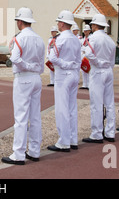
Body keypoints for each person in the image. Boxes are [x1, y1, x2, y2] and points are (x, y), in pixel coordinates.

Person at [1, 8, 45, 165]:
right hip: (36, 79)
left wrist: (26, 66)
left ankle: (18, 153)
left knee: (20, 117)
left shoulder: (19, 38)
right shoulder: (39, 39)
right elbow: (41, 63)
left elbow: (15, 58)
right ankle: (34, 151)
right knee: (35, 116)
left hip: (23, 78)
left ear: (20, 22)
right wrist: (34, 68)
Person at [47, 10, 81, 152]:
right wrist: (72, 66)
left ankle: (63, 141)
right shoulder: (75, 38)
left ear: (62, 23)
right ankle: (73, 139)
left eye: (58, 22)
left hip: (63, 75)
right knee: (72, 108)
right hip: (74, 74)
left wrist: (65, 64)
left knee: (62, 108)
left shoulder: (60, 39)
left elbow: (52, 58)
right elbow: (79, 60)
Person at [82, 14, 116, 143]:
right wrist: (106, 65)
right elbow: (113, 60)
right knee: (109, 103)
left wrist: (97, 63)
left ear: (95, 25)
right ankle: (110, 132)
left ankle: (97, 133)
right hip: (108, 70)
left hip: (98, 71)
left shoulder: (93, 38)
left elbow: (89, 53)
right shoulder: (110, 40)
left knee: (96, 103)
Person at [80, 24, 92, 89]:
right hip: (83, 55)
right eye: (84, 31)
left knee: (89, 70)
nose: (85, 32)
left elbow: (89, 47)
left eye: (87, 31)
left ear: (89, 31)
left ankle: (89, 84)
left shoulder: (91, 38)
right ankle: (84, 84)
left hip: (88, 55)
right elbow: (80, 47)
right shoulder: (82, 39)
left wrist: (84, 49)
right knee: (83, 70)